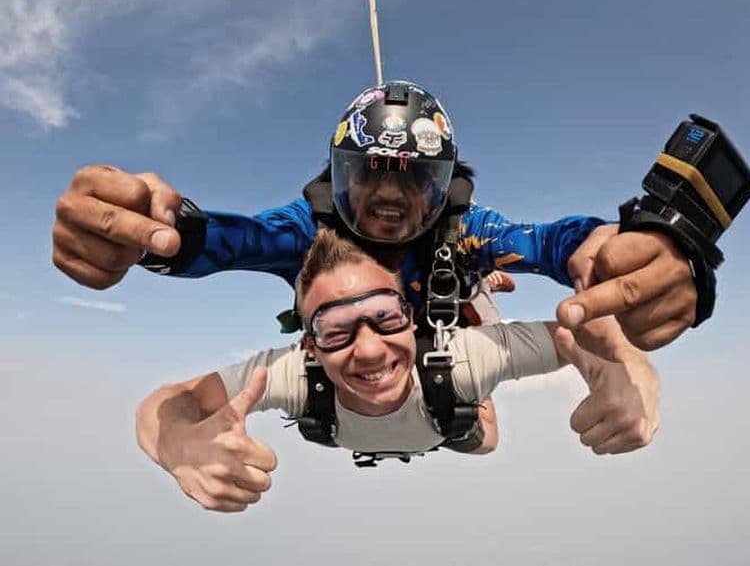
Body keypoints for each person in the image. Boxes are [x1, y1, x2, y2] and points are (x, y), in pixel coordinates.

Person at [53, 81, 698, 351]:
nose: (390, 197)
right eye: (368, 173)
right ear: (337, 178)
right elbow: (228, 239)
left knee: (478, 423)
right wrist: (146, 234)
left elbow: (552, 242)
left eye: (416, 177)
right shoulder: (308, 230)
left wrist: (630, 247)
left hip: (438, 325)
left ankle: (477, 293)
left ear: (445, 187)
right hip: (358, 358)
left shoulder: (464, 229)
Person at [135, 229, 660, 512]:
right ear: (309, 346)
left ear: (411, 318)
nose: (367, 350)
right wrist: (179, 445)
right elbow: (173, 400)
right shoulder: (296, 374)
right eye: (336, 328)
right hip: (436, 404)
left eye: (385, 317)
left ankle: (476, 291)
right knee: (474, 427)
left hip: (447, 383)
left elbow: (580, 333)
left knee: (482, 433)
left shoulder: (463, 358)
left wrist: (625, 368)